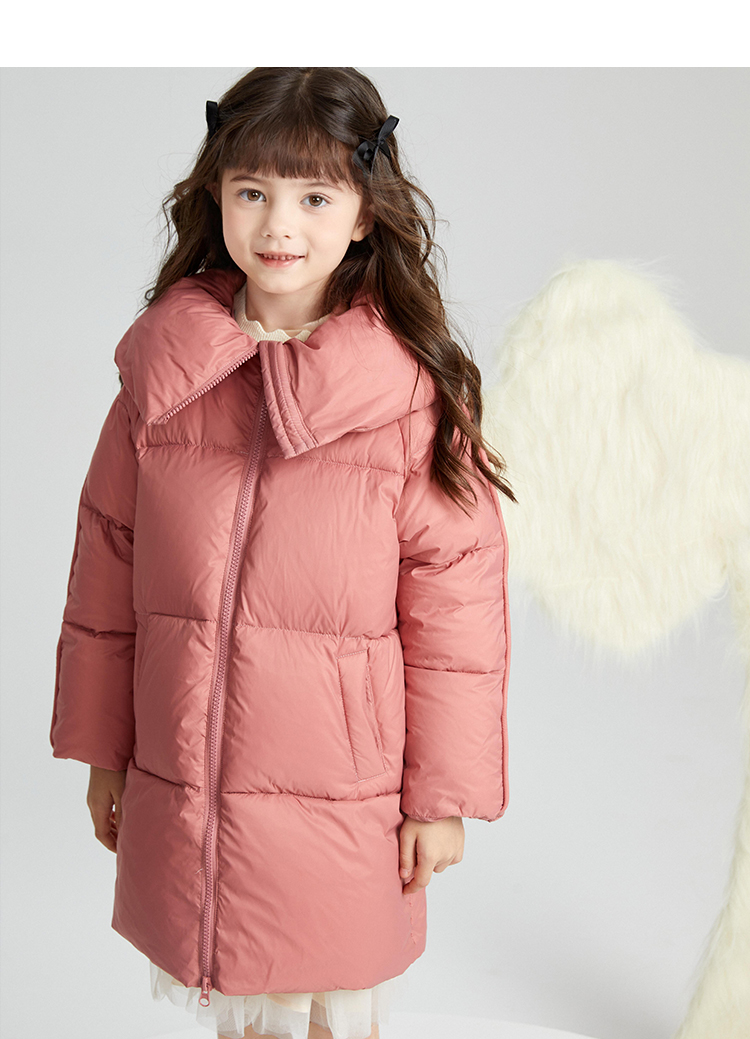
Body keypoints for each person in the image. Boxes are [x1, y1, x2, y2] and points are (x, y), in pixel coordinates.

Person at [49, 67, 514, 1039]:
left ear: (365, 213)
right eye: (252, 191)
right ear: (216, 196)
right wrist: (103, 748)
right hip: (191, 776)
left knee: (330, 1013)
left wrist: (443, 795)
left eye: (314, 197)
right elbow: (105, 571)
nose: (278, 225)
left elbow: (458, 616)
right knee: (239, 1008)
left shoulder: (406, 398)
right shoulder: (165, 382)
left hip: (345, 792)